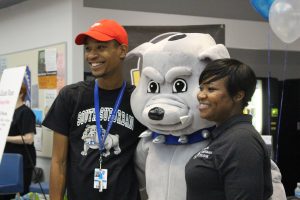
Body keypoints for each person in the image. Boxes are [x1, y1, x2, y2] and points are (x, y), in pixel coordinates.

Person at [42, 19, 146, 200]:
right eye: (88, 49)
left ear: (122, 51)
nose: (91, 55)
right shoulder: (71, 96)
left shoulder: (138, 99)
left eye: (100, 47)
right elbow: (59, 161)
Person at [185, 58, 273, 200]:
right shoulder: (224, 135)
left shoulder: (242, 140)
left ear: (238, 95)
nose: (201, 95)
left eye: (211, 89)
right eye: (201, 88)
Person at [0, 83, 36, 200]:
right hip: (6, 159)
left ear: (21, 94)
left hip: (23, 162)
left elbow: (28, 139)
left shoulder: (26, 112)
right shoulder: (7, 113)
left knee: (21, 194)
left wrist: (5, 137)